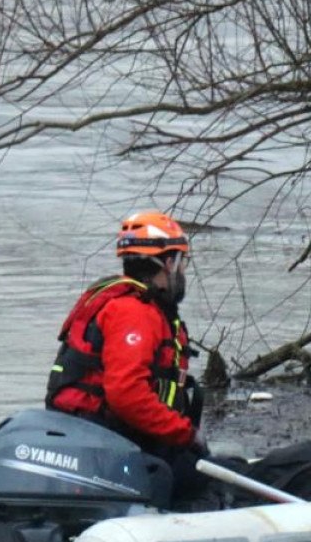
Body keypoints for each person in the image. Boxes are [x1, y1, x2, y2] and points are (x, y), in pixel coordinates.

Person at [45, 211, 207, 502]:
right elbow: (126, 394)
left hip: (102, 437)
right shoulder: (134, 313)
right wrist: (186, 434)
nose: (183, 273)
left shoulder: (127, 304)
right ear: (169, 263)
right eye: (183, 264)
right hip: (109, 442)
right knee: (201, 480)